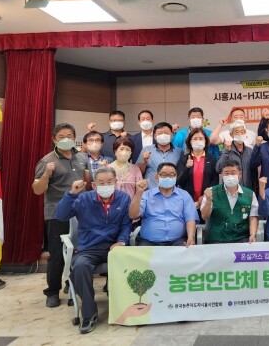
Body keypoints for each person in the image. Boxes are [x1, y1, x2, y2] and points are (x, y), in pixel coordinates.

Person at [55, 167, 131, 334]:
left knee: (133, 262)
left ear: (116, 182)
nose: (106, 185)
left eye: (109, 182)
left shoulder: (124, 198)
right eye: (101, 183)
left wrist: (122, 241)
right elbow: (61, 215)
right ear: (94, 185)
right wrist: (71, 194)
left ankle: (128, 306)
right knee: (80, 266)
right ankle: (89, 313)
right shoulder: (83, 198)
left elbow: (126, 224)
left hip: (114, 247)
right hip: (89, 248)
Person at [32, 123, 88, 308]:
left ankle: (71, 283)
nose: (66, 139)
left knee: (79, 250)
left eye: (69, 136)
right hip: (57, 213)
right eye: (61, 136)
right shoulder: (46, 161)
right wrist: (47, 173)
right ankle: (52, 291)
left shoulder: (81, 157)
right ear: (54, 139)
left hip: (80, 212)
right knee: (57, 254)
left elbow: (87, 182)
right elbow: (37, 190)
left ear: (74, 138)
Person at [129, 163, 198, 246]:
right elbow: (133, 215)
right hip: (149, 242)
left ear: (176, 177)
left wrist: (191, 237)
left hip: (178, 241)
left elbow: (190, 219)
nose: (168, 178)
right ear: (157, 177)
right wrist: (139, 192)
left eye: (172, 175)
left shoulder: (184, 195)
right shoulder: (146, 195)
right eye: (164, 175)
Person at [200, 160, 259, 243]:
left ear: (240, 174)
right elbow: (205, 217)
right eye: (226, 173)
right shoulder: (211, 191)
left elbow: (253, 217)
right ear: (222, 175)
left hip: (241, 238)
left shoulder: (249, 194)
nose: (230, 176)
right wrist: (208, 200)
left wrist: (252, 234)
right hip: (216, 239)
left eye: (233, 173)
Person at [177, 128, 218, 205]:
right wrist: (187, 167)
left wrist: (205, 197)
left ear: (205, 141)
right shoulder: (184, 158)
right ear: (190, 141)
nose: (198, 141)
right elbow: (179, 181)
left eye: (201, 138)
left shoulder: (212, 159)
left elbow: (215, 180)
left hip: (206, 200)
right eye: (195, 139)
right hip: (187, 200)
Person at [137, 122, 181, 188]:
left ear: (171, 135)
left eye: (166, 133)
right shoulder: (147, 149)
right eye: (160, 133)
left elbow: (181, 173)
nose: (163, 135)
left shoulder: (179, 152)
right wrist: (144, 162)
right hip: (151, 190)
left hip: (172, 190)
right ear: (155, 136)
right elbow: (138, 172)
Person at [216, 121, 255, 190]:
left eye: (242, 132)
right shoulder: (226, 151)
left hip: (247, 190)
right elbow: (218, 169)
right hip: (230, 190)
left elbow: (254, 172)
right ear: (231, 134)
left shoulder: (250, 151)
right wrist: (226, 151)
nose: (240, 134)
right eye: (237, 132)